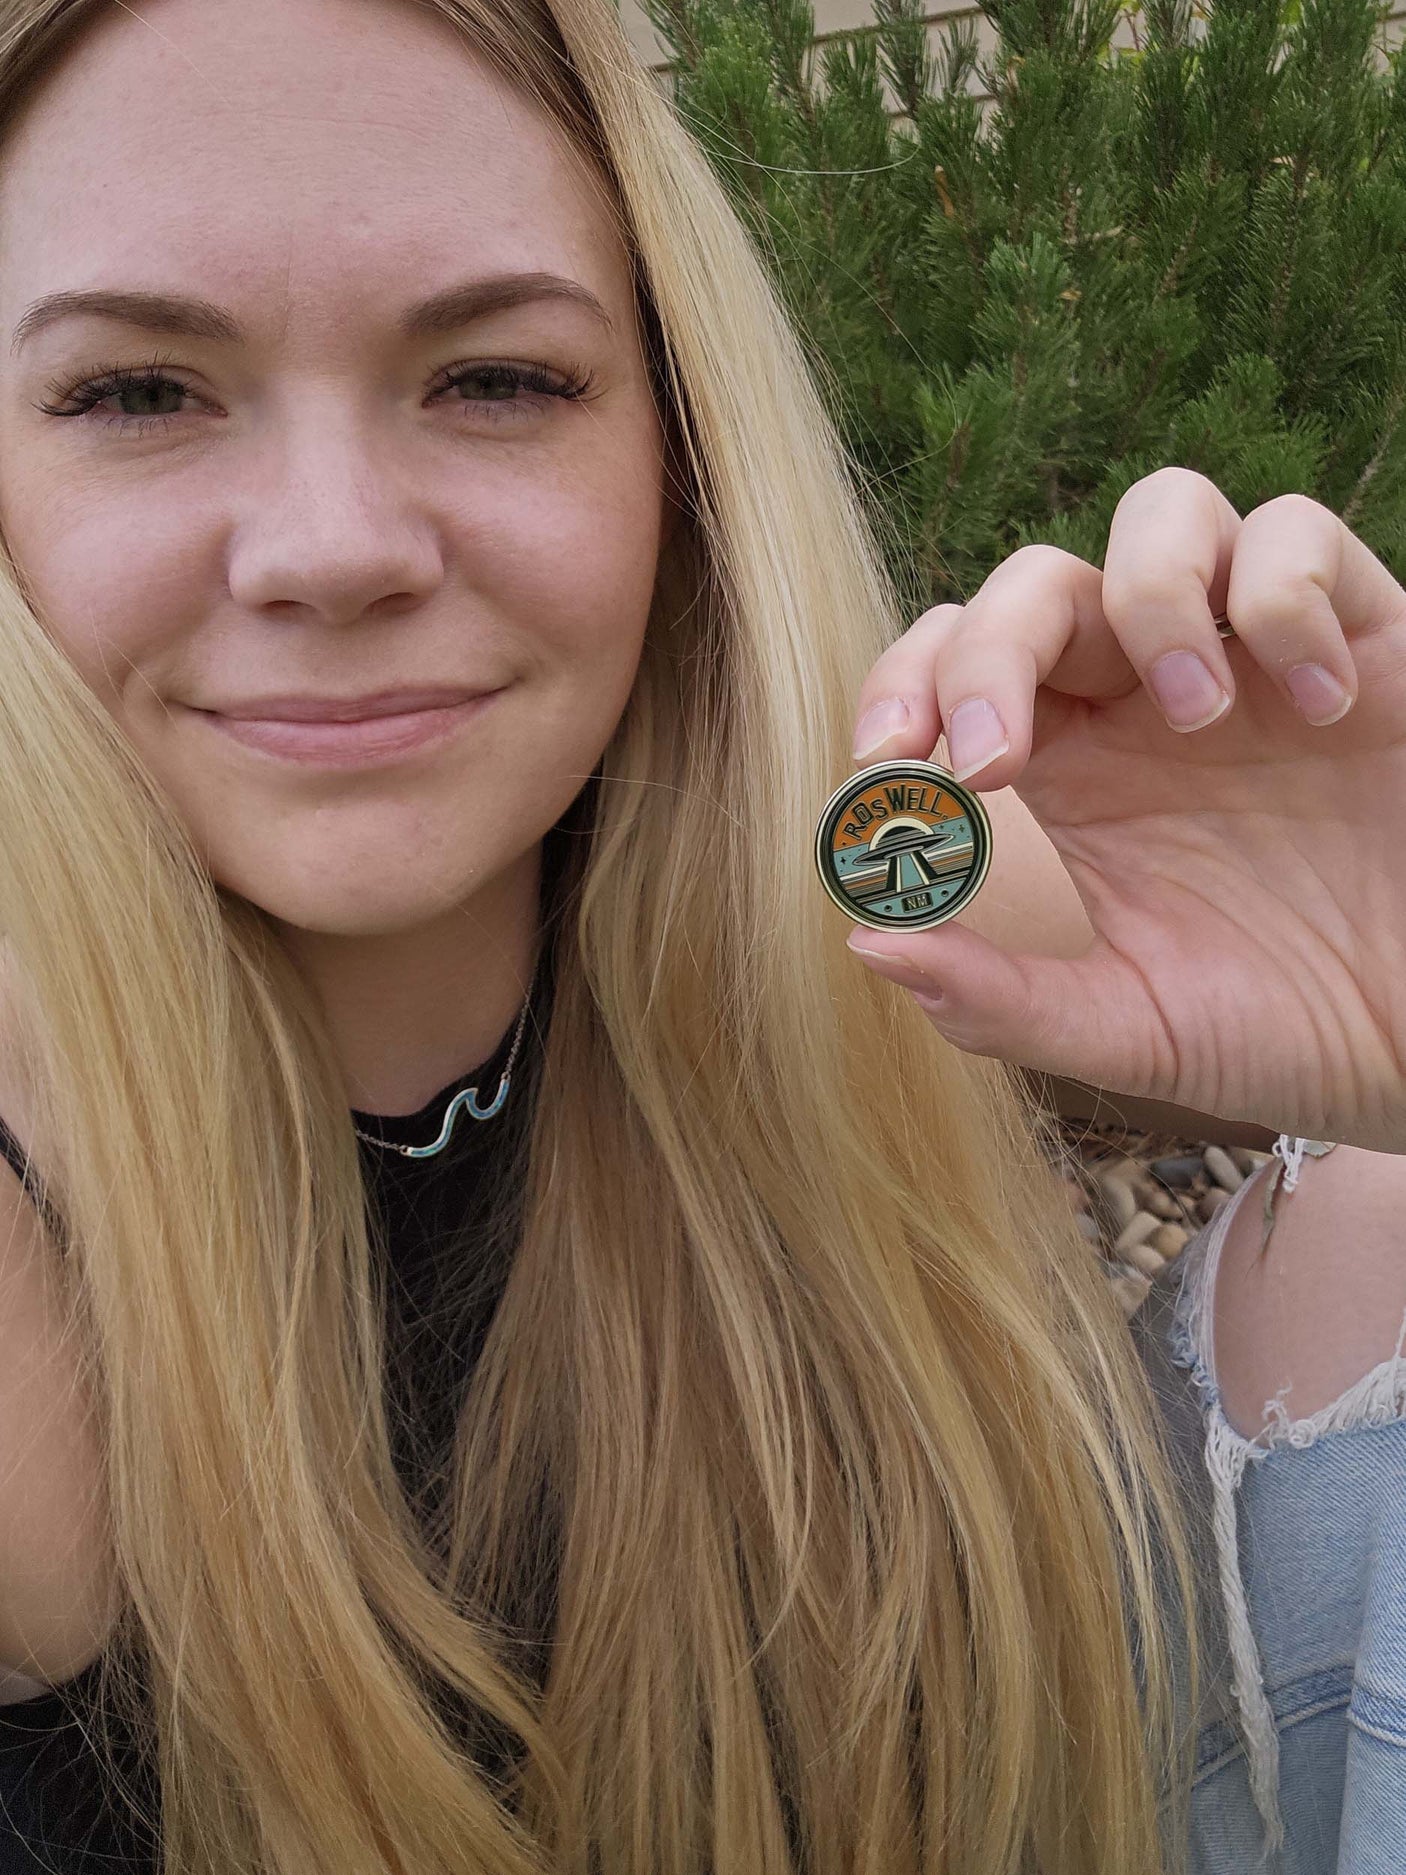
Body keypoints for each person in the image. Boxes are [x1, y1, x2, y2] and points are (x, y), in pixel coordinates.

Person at [0, 0, 1401, 1872]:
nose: (331, 549)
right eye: (133, 394)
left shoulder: (910, 945)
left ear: (680, 455)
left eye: (496, 376)